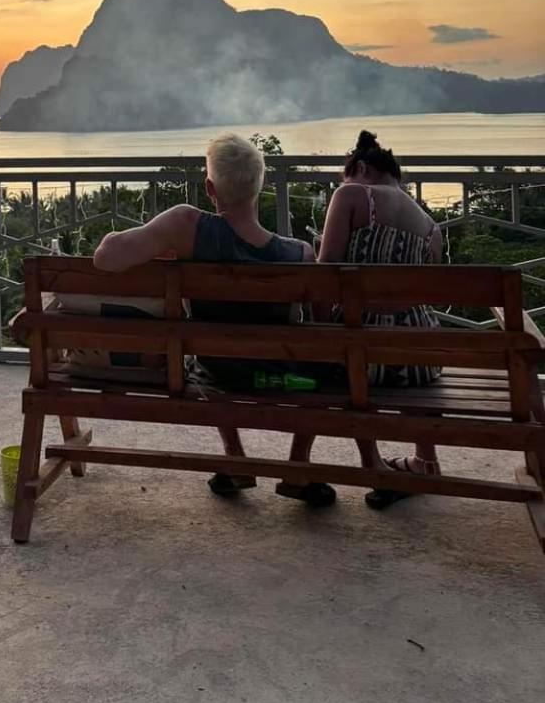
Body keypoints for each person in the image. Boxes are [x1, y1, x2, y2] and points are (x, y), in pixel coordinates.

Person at [92, 132, 332, 506]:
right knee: (322, 368)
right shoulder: (299, 254)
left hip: (215, 374)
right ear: (259, 187)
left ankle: (235, 456)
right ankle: (298, 465)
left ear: (210, 187)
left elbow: (106, 257)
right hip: (284, 379)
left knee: (214, 355)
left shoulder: (187, 225)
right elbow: (321, 328)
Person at [288, 129, 444, 509]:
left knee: (331, 360)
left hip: (364, 353)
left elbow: (324, 280)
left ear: (359, 168)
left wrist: (320, 334)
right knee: (363, 347)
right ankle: (425, 461)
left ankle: (310, 465)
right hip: (420, 357)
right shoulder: (431, 228)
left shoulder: (352, 195)